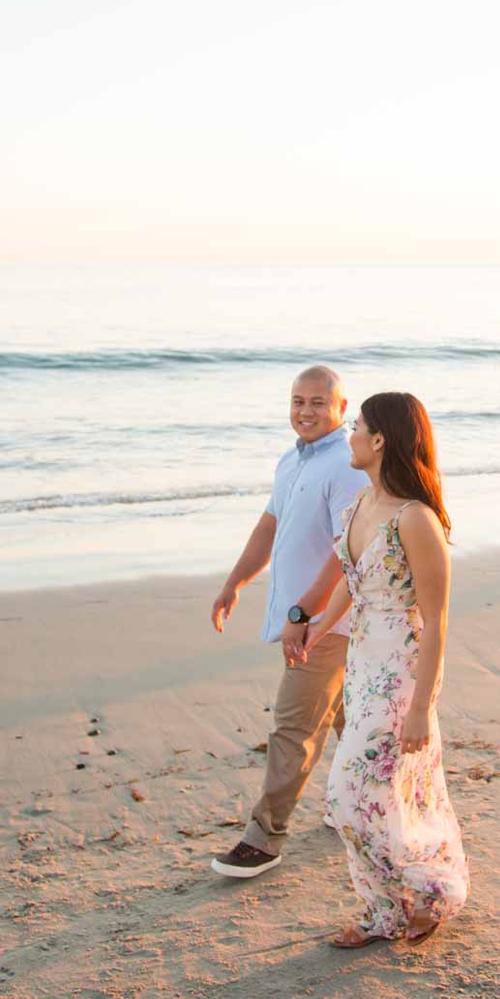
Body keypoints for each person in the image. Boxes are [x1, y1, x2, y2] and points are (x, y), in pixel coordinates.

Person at [290, 392, 470, 946]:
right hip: (364, 664)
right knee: (389, 793)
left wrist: (421, 707)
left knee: (350, 794)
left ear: (380, 440)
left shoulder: (417, 521)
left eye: (357, 426)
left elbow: (437, 620)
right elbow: (352, 581)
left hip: (402, 672)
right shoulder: (359, 509)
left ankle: (433, 889)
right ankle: (386, 913)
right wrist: (316, 628)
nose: (348, 434)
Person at [210, 366, 369, 878]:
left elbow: (350, 548)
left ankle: (265, 838)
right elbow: (270, 524)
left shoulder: (347, 465)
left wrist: (307, 615)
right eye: (297, 400)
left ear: (342, 409)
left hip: (329, 622)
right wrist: (235, 581)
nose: (305, 410)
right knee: (349, 718)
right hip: (307, 619)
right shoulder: (292, 460)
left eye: (318, 402)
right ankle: (358, 806)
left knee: (293, 728)